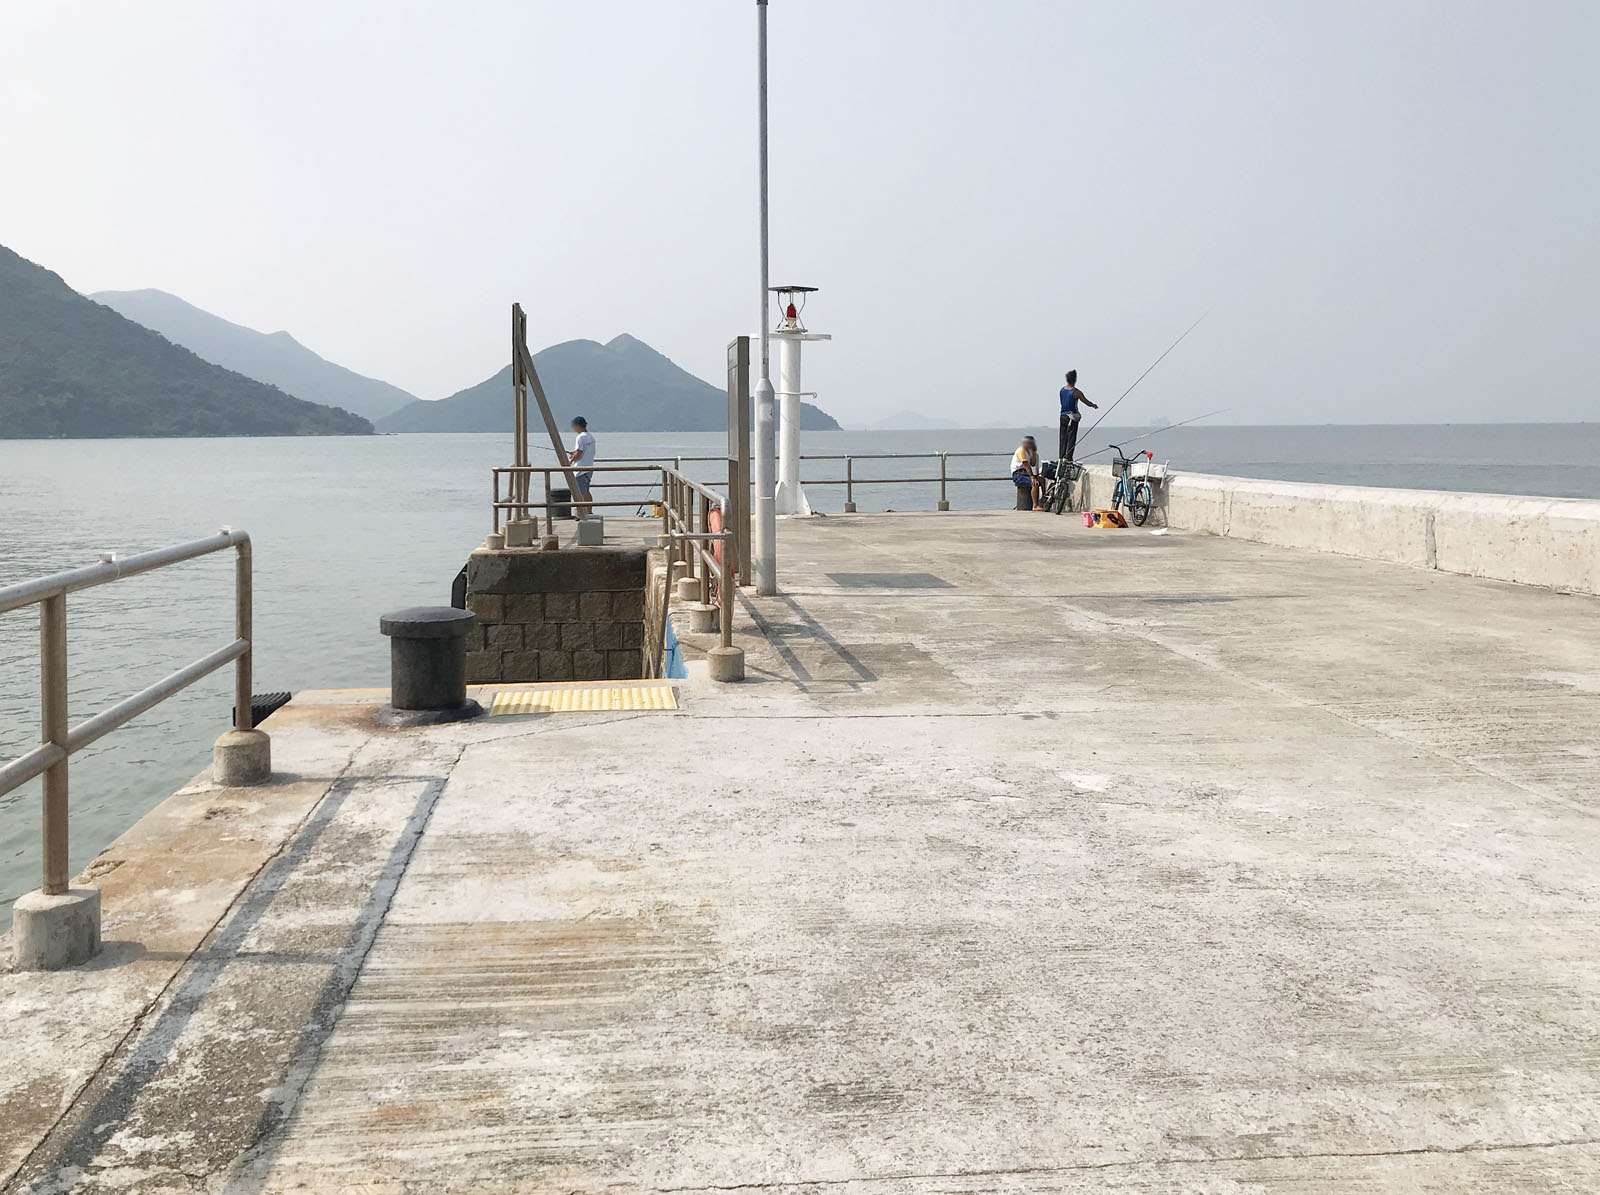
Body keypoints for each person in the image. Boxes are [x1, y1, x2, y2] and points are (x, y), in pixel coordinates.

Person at [1059, 369, 1098, 462]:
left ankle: (1061, 456)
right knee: (1071, 437)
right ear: (1075, 380)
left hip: (1063, 416)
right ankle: (1069, 457)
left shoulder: (1062, 390)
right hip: (1072, 417)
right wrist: (1093, 405)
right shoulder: (1076, 392)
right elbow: (1086, 401)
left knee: (1063, 437)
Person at [568, 416, 596, 516]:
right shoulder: (590, 436)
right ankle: (588, 511)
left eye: (574, 426)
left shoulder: (580, 437)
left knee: (582, 492)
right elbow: (583, 451)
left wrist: (570, 460)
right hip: (589, 468)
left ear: (577, 426)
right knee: (586, 491)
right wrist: (574, 452)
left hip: (580, 469)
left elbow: (579, 453)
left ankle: (584, 513)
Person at [1012, 435, 1044, 511]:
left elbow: (1032, 464)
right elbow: (1026, 465)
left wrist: (1033, 453)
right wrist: (1032, 477)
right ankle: (1035, 505)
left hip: (1025, 474)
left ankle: (1043, 499)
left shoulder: (1028, 452)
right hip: (1018, 474)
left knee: (1042, 480)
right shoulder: (1021, 450)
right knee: (1034, 483)